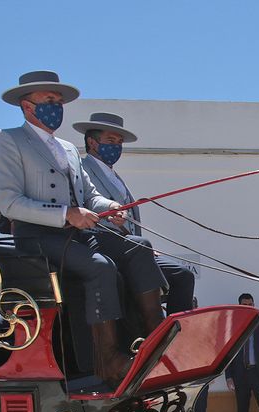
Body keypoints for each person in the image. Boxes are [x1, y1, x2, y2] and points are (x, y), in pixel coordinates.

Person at [0, 70, 166, 386]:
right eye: (49, 100)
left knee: (139, 249)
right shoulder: (7, 140)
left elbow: (88, 195)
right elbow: (10, 204)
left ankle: (156, 341)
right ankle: (108, 359)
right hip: (37, 237)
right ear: (28, 106)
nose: (56, 106)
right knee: (100, 267)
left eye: (59, 101)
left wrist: (109, 208)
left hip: (76, 234)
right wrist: (66, 214)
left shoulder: (67, 148)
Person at [73, 111, 197, 314]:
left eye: (119, 142)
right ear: (92, 143)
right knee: (174, 277)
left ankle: (176, 331)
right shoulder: (83, 170)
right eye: (110, 140)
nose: (116, 146)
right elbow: (92, 207)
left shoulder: (113, 175)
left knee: (183, 275)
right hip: (106, 246)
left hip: (133, 248)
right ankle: (157, 327)